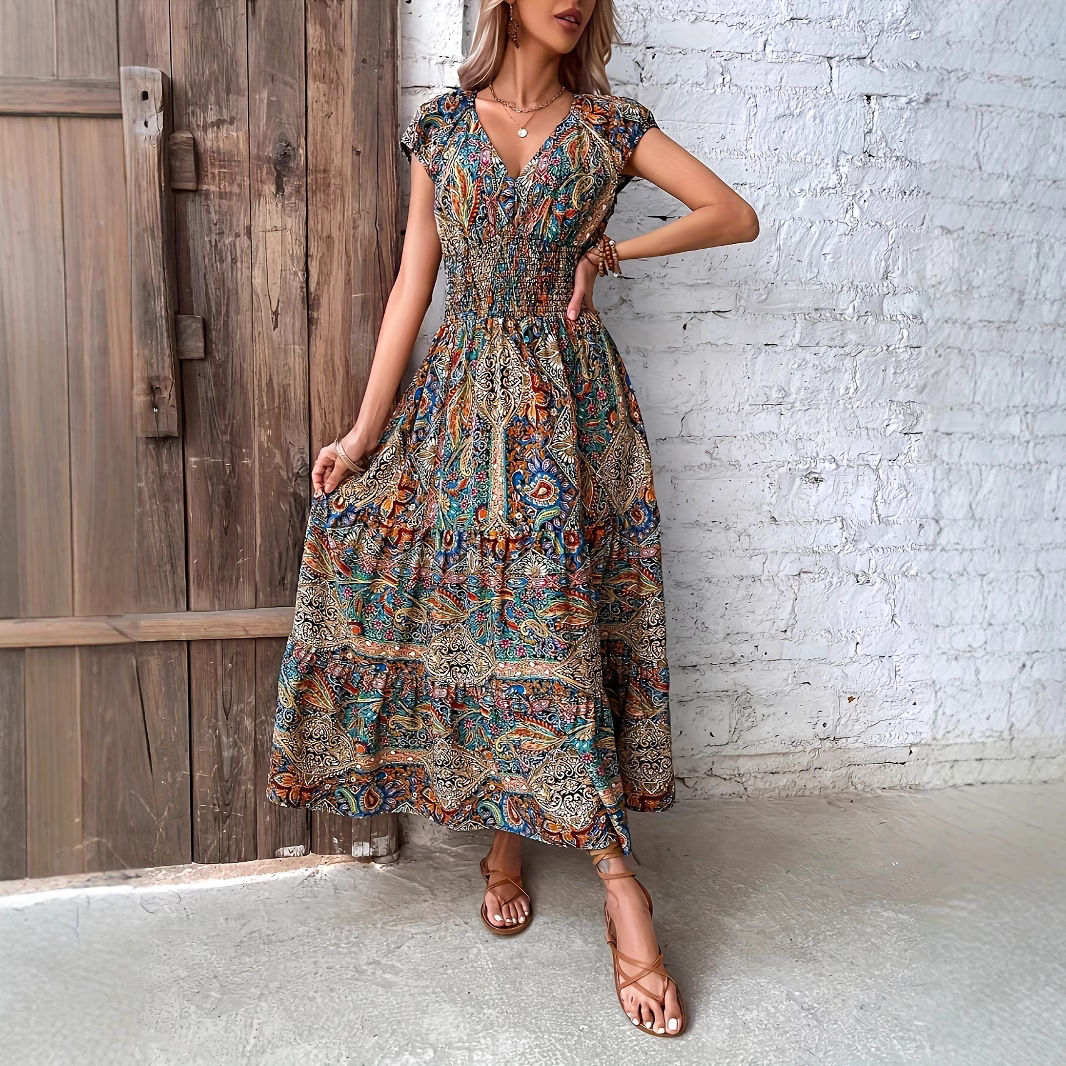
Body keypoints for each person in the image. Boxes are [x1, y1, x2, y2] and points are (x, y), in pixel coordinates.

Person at [265, 0, 758, 1039]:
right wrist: (361, 433)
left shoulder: (610, 128)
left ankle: (617, 879)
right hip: (457, 406)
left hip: (569, 408)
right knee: (484, 625)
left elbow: (731, 213)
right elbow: (413, 286)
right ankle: (506, 838)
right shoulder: (441, 126)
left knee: (556, 628)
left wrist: (612, 255)